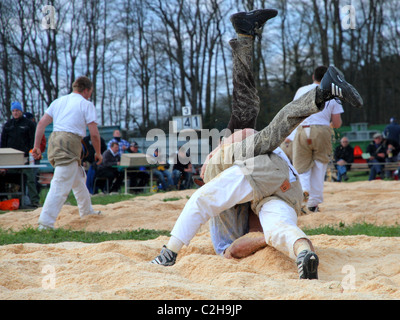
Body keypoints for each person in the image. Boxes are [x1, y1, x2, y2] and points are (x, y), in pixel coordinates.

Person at [150, 9, 363, 280]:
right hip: (281, 184)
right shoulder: (241, 215)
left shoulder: (219, 185)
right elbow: (247, 241)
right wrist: (266, 240)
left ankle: (167, 254)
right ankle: (303, 253)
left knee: (247, 118)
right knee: (279, 230)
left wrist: (229, 145)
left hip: (268, 176)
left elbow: (228, 238)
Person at [32, 76, 103, 230]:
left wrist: (36, 146)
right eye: (90, 92)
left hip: (55, 139)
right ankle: (45, 223)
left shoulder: (59, 101)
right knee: (60, 183)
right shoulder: (85, 103)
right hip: (70, 141)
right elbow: (94, 134)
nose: (90, 95)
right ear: (86, 90)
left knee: (78, 180)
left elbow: (41, 123)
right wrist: (98, 153)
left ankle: (87, 211)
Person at [291, 66, 344, 213]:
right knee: (319, 167)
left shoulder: (301, 90)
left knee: (301, 167)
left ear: (313, 76)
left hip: (302, 129)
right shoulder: (333, 95)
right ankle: (313, 204)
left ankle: (304, 190)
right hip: (322, 129)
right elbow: (337, 123)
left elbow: (293, 112)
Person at [1, 101, 39, 207]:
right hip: (10, 159)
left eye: (17, 110)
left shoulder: (29, 124)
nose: (15, 113)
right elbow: (3, 143)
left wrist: (32, 153)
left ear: (21, 111)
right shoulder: (8, 125)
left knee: (30, 178)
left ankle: (34, 201)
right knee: (11, 179)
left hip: (25, 158)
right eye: (13, 111)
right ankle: (10, 200)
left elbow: (33, 140)